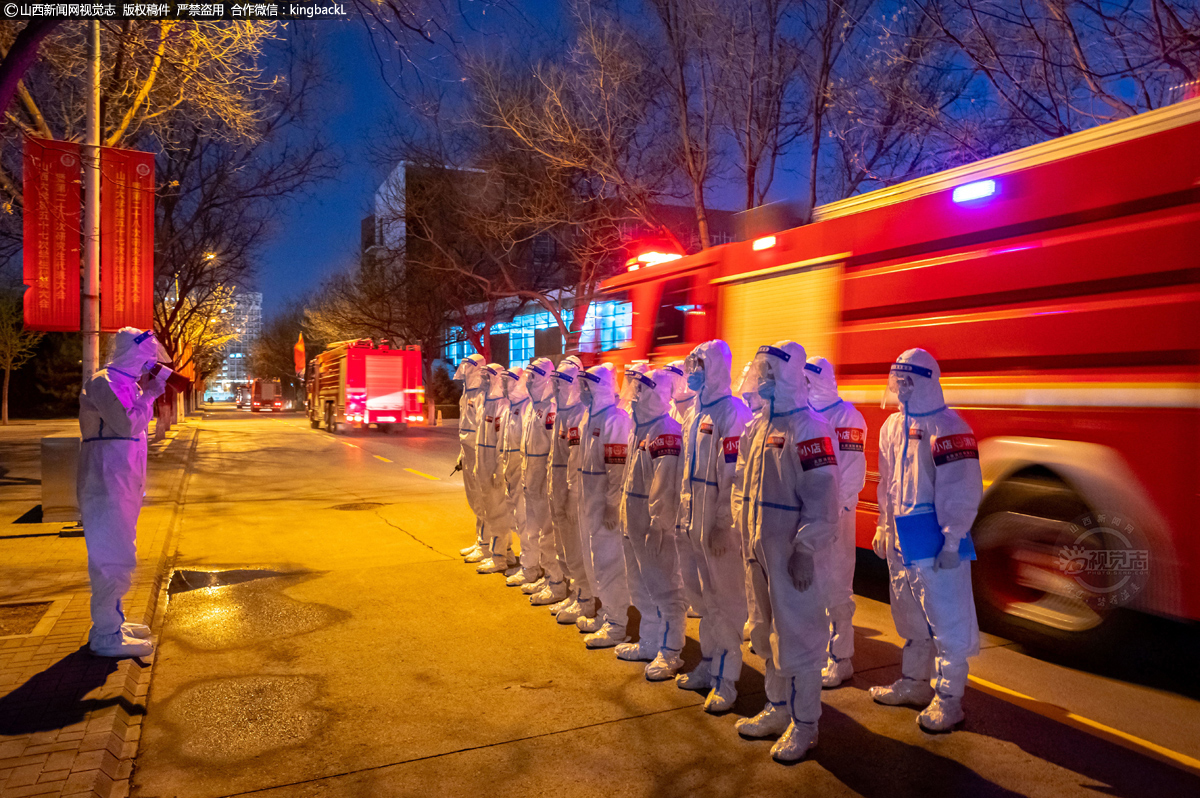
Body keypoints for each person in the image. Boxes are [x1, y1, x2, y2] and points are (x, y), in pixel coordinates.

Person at [732, 341, 841, 762]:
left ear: (793, 376)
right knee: (765, 631)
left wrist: (805, 549)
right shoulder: (757, 428)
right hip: (759, 551)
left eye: (773, 373)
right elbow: (742, 488)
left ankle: (805, 724)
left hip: (791, 553)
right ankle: (776, 709)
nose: (765, 380)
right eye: (763, 373)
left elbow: (823, 496)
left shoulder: (811, 429)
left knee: (801, 637)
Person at [869, 348, 983, 733]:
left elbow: (961, 488)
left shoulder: (949, 428)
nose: (900, 388)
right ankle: (915, 684)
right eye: (896, 380)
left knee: (948, 621)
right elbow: (887, 483)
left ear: (926, 381)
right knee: (911, 617)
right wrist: (885, 525)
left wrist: (952, 540)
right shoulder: (891, 427)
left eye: (908, 381)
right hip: (904, 539)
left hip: (935, 541)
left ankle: (949, 700)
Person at [78, 327, 170, 658]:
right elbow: (127, 424)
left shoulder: (125, 383)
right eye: (146, 354)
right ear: (131, 352)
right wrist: (150, 395)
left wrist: (145, 393)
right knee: (111, 554)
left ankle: (111, 622)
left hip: (121, 479)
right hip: (107, 480)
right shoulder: (103, 382)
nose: (150, 361)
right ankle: (105, 634)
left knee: (119, 549)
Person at [676, 340, 752, 713]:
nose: (692, 372)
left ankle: (727, 678)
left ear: (717, 369)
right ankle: (709, 663)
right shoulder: (696, 413)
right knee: (702, 599)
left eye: (699, 365)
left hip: (714, 528)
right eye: (691, 365)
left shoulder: (732, 413)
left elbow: (734, 475)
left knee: (724, 600)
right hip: (691, 524)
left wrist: (724, 523)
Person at [619, 366, 687, 678]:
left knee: (664, 588)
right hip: (634, 523)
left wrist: (661, 525)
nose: (633, 397)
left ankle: (670, 651)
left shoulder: (666, 431)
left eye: (640, 391)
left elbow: (666, 485)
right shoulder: (641, 429)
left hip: (652, 527)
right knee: (640, 586)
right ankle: (649, 640)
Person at [805, 356, 868, 688]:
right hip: (810, 516)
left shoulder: (847, 417)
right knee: (812, 587)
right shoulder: (808, 414)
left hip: (836, 517)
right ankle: (817, 653)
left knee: (836, 586)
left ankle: (840, 658)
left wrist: (834, 511)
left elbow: (852, 472)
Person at [573, 363, 639, 647]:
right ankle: (606, 612)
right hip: (590, 500)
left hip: (603, 503)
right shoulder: (590, 418)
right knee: (594, 559)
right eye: (583, 386)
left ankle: (617, 623)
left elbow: (617, 468)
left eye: (589, 386)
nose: (584, 391)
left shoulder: (616, 420)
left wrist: (613, 504)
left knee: (610, 562)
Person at [532, 356, 593, 619]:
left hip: (569, 490)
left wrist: (571, 496)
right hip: (557, 487)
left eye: (561, 384)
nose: (555, 389)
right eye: (554, 384)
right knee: (563, 544)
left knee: (576, 545)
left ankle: (586, 599)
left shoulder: (578, 415)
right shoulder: (563, 413)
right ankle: (574, 593)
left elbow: (575, 461)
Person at [520, 359, 567, 599]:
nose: (529, 381)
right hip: (532, 477)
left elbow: (553, 450)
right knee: (536, 529)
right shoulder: (533, 406)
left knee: (549, 533)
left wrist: (548, 481)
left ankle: (557, 582)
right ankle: (548, 576)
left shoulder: (551, 408)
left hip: (543, 477)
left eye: (533, 377)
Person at [475, 364, 515, 574]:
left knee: (497, 510)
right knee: (489, 509)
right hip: (484, 462)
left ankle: (498, 557)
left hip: (492, 464)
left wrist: (499, 469)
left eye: (486, 378)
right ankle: (505, 551)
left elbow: (502, 441)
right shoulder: (484, 402)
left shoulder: (501, 405)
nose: (482, 381)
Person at [500, 368, 538, 586]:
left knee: (526, 522)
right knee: (517, 518)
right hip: (512, 470)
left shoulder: (525, 408)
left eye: (509, 382)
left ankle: (530, 566)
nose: (506, 386)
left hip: (522, 470)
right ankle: (528, 563)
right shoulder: (511, 407)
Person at [453, 354, 488, 562]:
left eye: (467, 368)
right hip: (469, 452)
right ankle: (481, 541)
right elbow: (465, 426)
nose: (463, 371)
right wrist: (461, 454)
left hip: (478, 453)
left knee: (484, 500)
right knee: (475, 500)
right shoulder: (467, 394)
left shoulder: (483, 394)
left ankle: (487, 545)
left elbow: (482, 430)